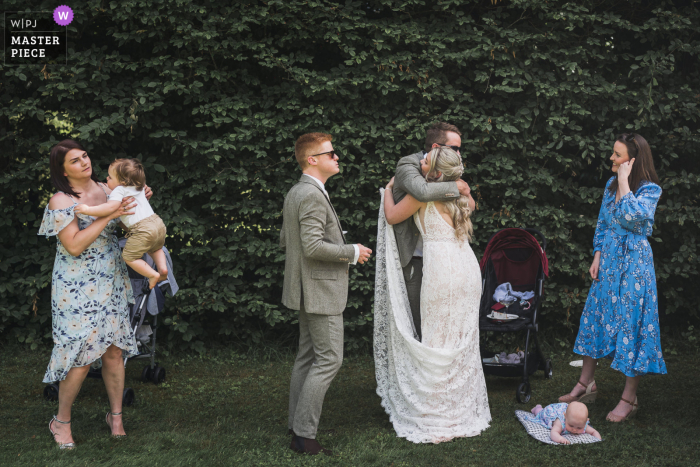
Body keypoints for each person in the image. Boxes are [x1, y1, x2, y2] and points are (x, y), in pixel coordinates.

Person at [38, 139, 152, 448]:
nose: (84, 162)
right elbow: (73, 244)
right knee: (81, 358)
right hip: (75, 286)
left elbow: (135, 223)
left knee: (114, 351)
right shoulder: (61, 200)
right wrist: (110, 216)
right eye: (74, 161)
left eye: (84, 156)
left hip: (111, 280)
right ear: (62, 170)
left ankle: (115, 417)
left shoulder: (108, 189)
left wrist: (137, 200)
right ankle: (60, 421)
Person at [374, 147, 490, 443]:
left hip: (441, 273)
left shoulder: (422, 195)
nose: (420, 160)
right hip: (466, 268)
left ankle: (436, 413)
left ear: (436, 173)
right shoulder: (460, 195)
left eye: (425, 161)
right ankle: (458, 410)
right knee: (462, 338)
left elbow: (391, 215)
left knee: (437, 338)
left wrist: (387, 190)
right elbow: (471, 205)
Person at [559, 133, 666, 422]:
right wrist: (597, 254)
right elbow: (604, 222)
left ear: (632, 161)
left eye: (617, 155)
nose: (611, 159)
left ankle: (629, 399)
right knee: (595, 315)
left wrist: (623, 182)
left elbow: (636, 220)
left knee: (632, 323)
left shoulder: (650, 190)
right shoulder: (609, 185)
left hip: (635, 265)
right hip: (608, 262)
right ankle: (585, 383)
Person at [280, 132, 372, 456]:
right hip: (320, 290)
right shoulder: (312, 195)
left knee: (308, 357)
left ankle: (297, 426)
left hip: (307, 287)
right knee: (329, 359)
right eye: (330, 153)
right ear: (312, 159)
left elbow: (287, 241)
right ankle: (305, 436)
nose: (337, 157)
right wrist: (351, 251)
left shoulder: (297, 192)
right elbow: (313, 245)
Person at [391, 122, 473, 340]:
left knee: (451, 324)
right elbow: (422, 191)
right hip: (417, 257)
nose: (459, 154)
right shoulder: (409, 163)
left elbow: (469, 206)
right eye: (455, 149)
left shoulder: (448, 167)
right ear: (436, 146)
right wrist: (457, 187)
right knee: (423, 323)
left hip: (451, 261)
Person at [75, 158, 168, 289]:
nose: (107, 179)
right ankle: (163, 270)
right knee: (156, 248)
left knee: (129, 257)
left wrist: (88, 210)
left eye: (111, 177)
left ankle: (152, 274)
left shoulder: (119, 190)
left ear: (122, 182)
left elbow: (109, 208)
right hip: (158, 224)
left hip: (142, 229)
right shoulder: (138, 187)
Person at [525, 402, 602, 444]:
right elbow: (553, 432)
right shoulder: (561, 422)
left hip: (567, 412)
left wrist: (598, 440)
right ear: (565, 418)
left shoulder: (582, 424)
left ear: (586, 422)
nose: (574, 430)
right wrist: (560, 439)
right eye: (571, 425)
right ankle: (537, 408)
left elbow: (594, 432)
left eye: (579, 428)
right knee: (540, 414)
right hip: (553, 412)